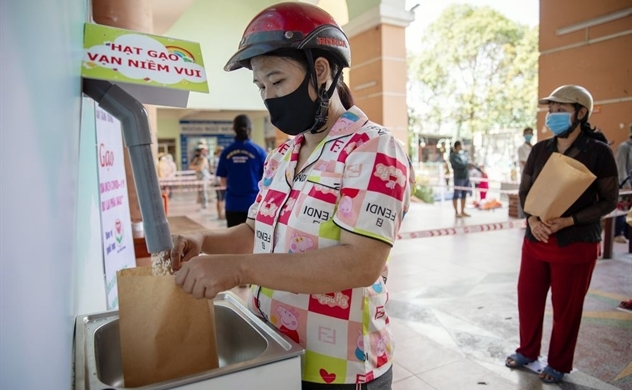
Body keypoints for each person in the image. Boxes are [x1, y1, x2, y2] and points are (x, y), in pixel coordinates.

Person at [170, 3, 413, 389]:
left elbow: (361, 263)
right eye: (261, 87)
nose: (269, 97)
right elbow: (255, 232)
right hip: (275, 350)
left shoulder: (372, 149)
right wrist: (204, 241)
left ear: (321, 70)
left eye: (277, 81)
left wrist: (238, 269)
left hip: (342, 369)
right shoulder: (281, 155)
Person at [506, 85, 618, 384]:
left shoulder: (598, 152)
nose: (553, 116)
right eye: (551, 110)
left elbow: (609, 201)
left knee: (566, 309)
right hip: (537, 238)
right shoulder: (541, 149)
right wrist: (531, 220)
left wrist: (569, 221)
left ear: (581, 113)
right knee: (528, 300)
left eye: (561, 110)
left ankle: (558, 363)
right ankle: (527, 351)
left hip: (575, 243)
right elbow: (525, 190)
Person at [216, 115, 267, 227]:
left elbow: (222, 182)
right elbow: (267, 180)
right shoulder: (259, 152)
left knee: (233, 241)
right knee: (252, 242)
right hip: (253, 204)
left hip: (233, 204)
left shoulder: (226, 152)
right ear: (250, 129)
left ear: (234, 129)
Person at [613, 123, 632, 243]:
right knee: (621, 210)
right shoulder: (624, 147)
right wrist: (627, 187)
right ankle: (617, 233)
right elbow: (621, 169)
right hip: (624, 185)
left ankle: (628, 233)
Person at [449, 140, 472, 217]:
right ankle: (456, 212)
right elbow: (460, 165)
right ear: (458, 145)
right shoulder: (453, 156)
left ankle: (462, 211)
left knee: (464, 194)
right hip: (459, 178)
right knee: (456, 194)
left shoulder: (463, 155)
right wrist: (466, 164)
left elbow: (468, 163)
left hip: (466, 177)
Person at [188, 141, 210, 210]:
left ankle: (205, 205)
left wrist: (195, 167)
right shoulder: (196, 159)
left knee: (203, 191)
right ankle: (201, 204)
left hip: (204, 178)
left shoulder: (204, 159)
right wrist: (196, 167)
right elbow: (190, 167)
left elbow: (200, 168)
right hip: (198, 177)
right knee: (200, 192)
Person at [211, 146, 225, 220]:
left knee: (219, 198)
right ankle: (220, 214)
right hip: (219, 182)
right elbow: (218, 173)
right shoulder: (218, 160)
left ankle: (220, 214)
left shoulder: (216, 160)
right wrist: (220, 182)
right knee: (220, 199)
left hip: (217, 182)